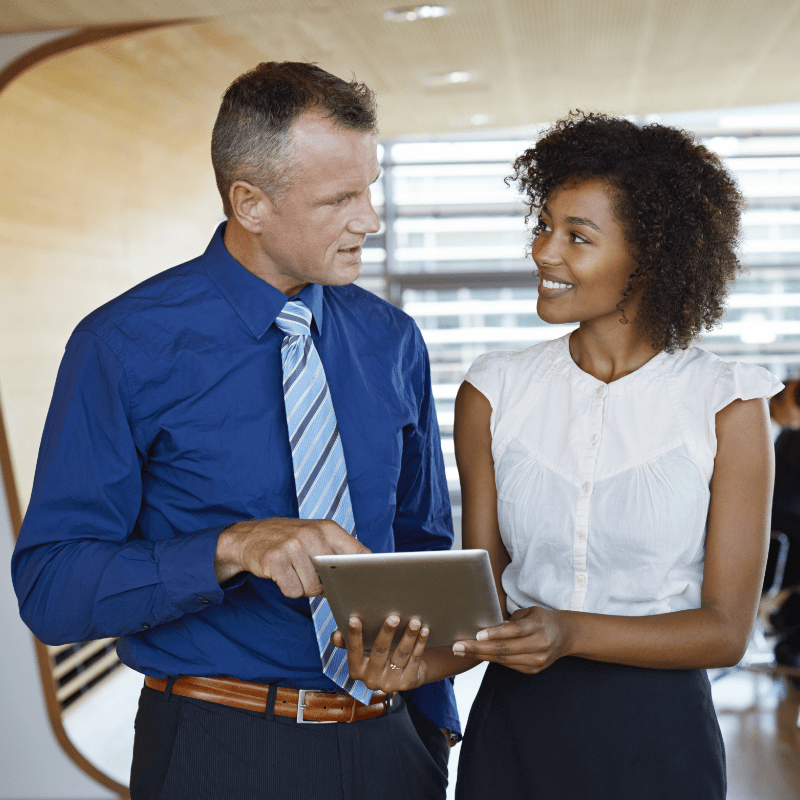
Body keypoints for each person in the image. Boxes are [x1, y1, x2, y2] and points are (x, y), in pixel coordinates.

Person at [11, 62, 459, 800]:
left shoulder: (392, 339)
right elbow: (52, 590)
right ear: (250, 203)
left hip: (394, 749)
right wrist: (230, 548)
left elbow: (421, 546)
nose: (370, 219)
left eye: (371, 187)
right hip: (221, 754)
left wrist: (430, 733)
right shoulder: (123, 345)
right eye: (340, 197)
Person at [448, 112, 780, 799]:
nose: (544, 252)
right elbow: (484, 596)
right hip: (515, 726)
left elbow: (725, 632)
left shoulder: (728, 402)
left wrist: (569, 631)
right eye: (543, 225)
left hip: (658, 737)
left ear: (651, 256)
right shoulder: (492, 390)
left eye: (577, 236)